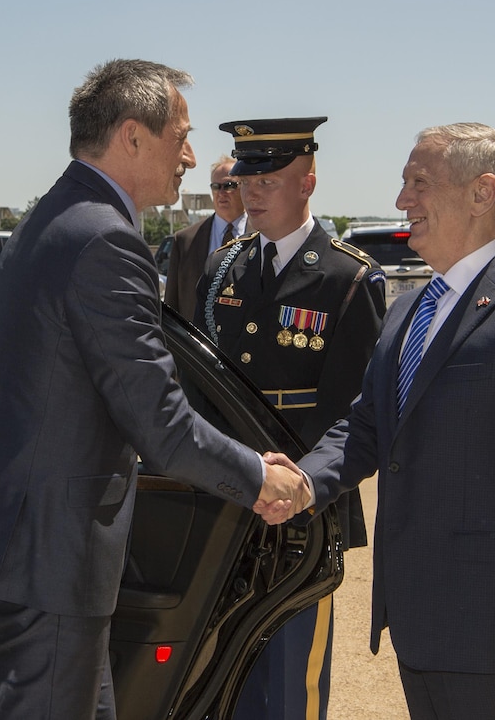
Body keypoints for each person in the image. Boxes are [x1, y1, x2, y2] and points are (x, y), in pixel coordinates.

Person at [0, 59, 308, 720]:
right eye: (180, 135)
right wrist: (257, 475)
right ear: (133, 136)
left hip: (38, 553)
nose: (191, 155)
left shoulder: (62, 215)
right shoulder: (104, 236)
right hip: (50, 558)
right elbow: (159, 423)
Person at [262, 123, 495, 719]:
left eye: (420, 183)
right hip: (419, 612)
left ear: (482, 193)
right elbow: (368, 424)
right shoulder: (411, 309)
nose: (402, 201)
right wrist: (304, 481)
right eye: (404, 183)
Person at [196, 117, 386, 720]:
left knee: (293, 674)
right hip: (232, 496)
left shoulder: (347, 277)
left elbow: (354, 413)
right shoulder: (222, 269)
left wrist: (297, 487)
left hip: (304, 507)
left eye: (268, 179)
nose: (251, 191)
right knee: (229, 668)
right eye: (246, 177)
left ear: (307, 181)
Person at [164, 155, 246, 318]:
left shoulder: (264, 235)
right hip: (195, 340)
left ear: (244, 187)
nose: (221, 193)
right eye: (216, 186)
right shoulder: (184, 240)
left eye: (229, 186)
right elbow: (171, 307)